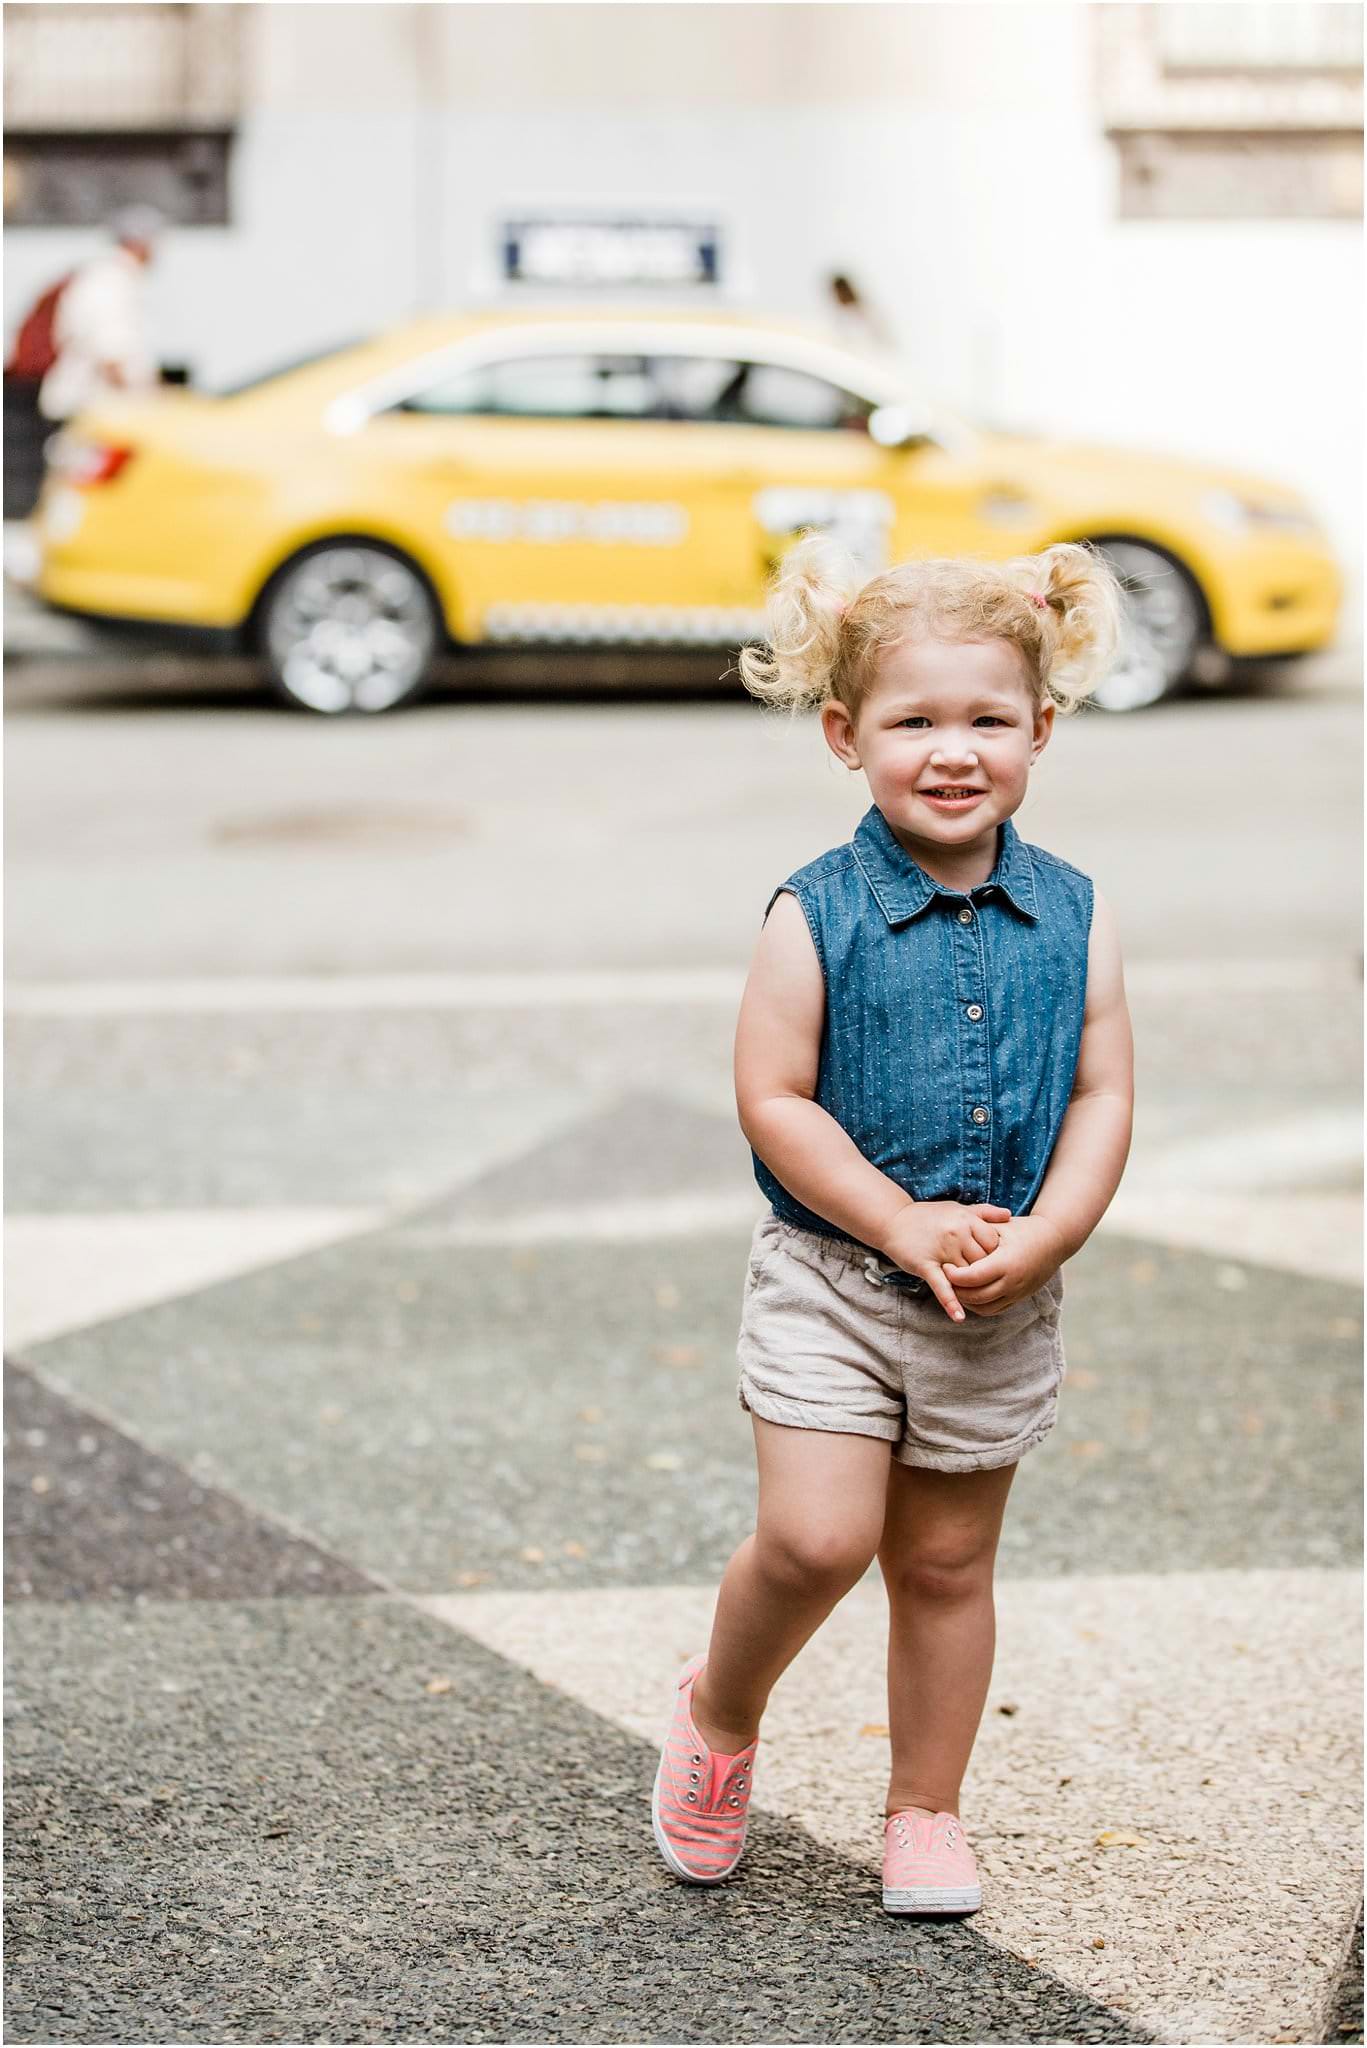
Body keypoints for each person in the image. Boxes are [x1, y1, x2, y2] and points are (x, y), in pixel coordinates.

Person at [651, 536, 1135, 1914]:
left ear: (1039, 729)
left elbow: (1101, 1091)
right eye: (910, 720)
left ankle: (923, 1810)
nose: (949, 751)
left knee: (940, 1563)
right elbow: (771, 1100)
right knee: (813, 1540)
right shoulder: (814, 914)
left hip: (994, 1291)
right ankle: (720, 1714)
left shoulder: (1077, 916)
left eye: (986, 719)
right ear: (842, 733)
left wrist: (1046, 1236)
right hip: (832, 1278)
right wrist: (893, 1219)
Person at [37, 204, 164, 425]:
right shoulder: (111, 281)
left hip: (96, 411)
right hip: (93, 412)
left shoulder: (108, 277)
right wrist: (148, 406)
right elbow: (112, 353)